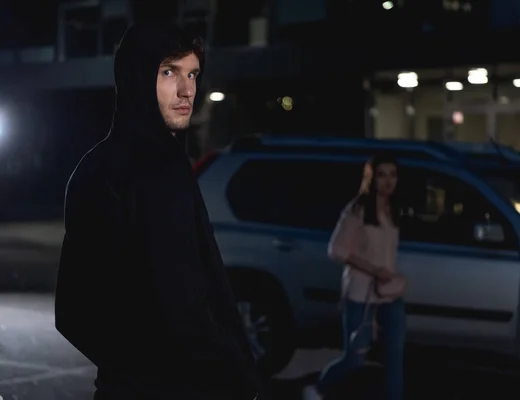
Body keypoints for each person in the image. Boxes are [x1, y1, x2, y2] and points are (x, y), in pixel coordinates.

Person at [54, 23, 262, 400]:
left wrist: (127, 370)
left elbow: (71, 314)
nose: (187, 91)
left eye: (193, 74)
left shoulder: (94, 166)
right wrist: (232, 379)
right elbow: (184, 306)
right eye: (169, 72)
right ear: (137, 76)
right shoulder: (156, 171)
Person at [304, 155, 407, 400]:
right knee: (355, 357)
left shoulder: (392, 210)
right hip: (361, 293)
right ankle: (318, 389)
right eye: (382, 175)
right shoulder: (357, 210)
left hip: (390, 294)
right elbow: (336, 250)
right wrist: (374, 270)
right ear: (372, 178)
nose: (388, 181)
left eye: (393, 175)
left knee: (395, 355)